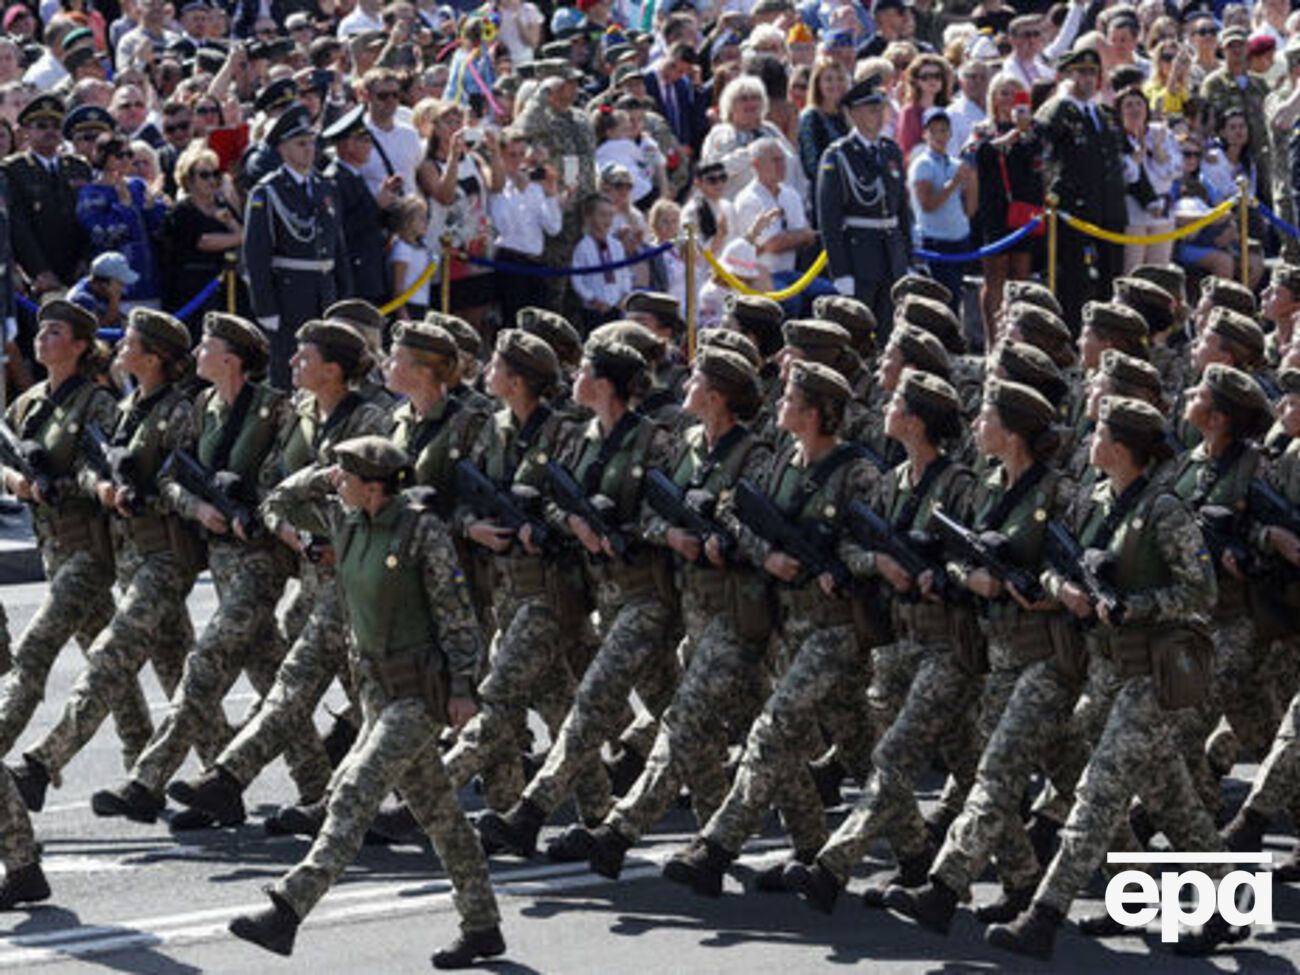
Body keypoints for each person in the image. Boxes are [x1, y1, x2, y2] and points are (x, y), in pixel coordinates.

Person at [224, 436, 505, 970]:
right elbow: (276, 505)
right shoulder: (344, 519)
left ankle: (288, 908)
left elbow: (458, 616)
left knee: (353, 790)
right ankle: (483, 926)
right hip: (376, 689)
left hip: (422, 693)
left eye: (344, 473)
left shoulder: (423, 531)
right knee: (440, 813)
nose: (337, 480)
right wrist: (319, 477)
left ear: (374, 486)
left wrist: (464, 688)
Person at [986, 396, 1246, 960]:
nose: (1087, 439)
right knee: (1171, 798)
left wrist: (1136, 605)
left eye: (1099, 431)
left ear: (1123, 446)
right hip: (1107, 672)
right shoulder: (1096, 500)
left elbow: (1201, 594)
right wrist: (1065, 592)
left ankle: (1044, 916)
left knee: (1098, 790)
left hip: (1152, 675)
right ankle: (1228, 901)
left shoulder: (1165, 511)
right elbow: (1056, 564)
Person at [84, 313, 330, 826]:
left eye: (208, 345)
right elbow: (175, 477)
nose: (197, 352)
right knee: (271, 675)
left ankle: (147, 782)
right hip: (220, 559)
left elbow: (283, 478)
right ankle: (316, 787)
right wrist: (200, 510)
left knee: (206, 661)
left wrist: (252, 509)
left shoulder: (274, 409)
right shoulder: (203, 405)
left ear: (232, 358)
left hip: (260, 558)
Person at [660, 359, 880, 898]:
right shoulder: (783, 463)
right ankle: (905, 852)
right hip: (788, 624)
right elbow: (738, 519)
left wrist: (843, 565)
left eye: (790, 399)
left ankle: (716, 847)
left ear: (812, 413)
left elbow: (876, 549)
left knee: (774, 731)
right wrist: (770, 556)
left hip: (837, 629)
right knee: (856, 748)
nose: (778, 404)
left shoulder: (859, 474)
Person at [476, 338, 678, 860]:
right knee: (679, 718)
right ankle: (730, 824)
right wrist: (572, 522)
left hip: (648, 595)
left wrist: (625, 531)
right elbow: (544, 498)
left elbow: (671, 518)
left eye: (586, 371)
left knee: (590, 705)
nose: (575, 378)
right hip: (604, 598)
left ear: (605, 385)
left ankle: (530, 812)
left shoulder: (655, 443)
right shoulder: (580, 438)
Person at [12, 310, 215, 822]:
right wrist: (96, 484)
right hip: (128, 558)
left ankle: (41, 764)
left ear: (154, 358)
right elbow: (88, 465)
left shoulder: (178, 411)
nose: (119, 347)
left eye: (129, 342)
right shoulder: (126, 408)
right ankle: (223, 778)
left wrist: (148, 494)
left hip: (165, 557)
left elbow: (187, 482)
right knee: (181, 674)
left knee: (109, 655)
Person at [243, 104, 351, 389]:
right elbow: (256, 257)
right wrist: (267, 310)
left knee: (327, 372)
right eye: (300, 144)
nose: (309, 150)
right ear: (282, 149)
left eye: (311, 143)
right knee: (289, 376)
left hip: (324, 292)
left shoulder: (325, 187)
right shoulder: (268, 192)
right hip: (289, 296)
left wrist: (344, 295)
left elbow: (337, 246)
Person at [1034, 46, 1126, 329]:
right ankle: (1071, 336)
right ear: (1067, 75)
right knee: (1073, 279)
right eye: (1081, 72)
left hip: (1108, 207)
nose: (1087, 79)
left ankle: (1107, 333)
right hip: (1075, 209)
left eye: (1092, 73)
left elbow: (1117, 158)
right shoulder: (1061, 110)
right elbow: (1042, 138)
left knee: (1111, 279)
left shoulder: (1105, 114)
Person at [817, 76, 913, 334]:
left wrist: (909, 257)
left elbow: (902, 208)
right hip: (859, 256)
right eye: (871, 110)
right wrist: (840, 271)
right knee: (857, 334)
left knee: (891, 331)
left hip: (891, 254)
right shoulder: (838, 155)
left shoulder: (890, 150)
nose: (879, 115)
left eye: (880, 108)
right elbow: (829, 219)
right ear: (853, 114)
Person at [971, 75, 1044, 345]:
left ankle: (1017, 337)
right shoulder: (983, 129)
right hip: (994, 209)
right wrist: (1009, 136)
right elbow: (980, 155)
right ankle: (994, 339)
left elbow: (1038, 161)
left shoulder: (1032, 130)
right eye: (1003, 93)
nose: (1008, 99)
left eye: (1014, 93)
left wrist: (1025, 131)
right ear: (992, 98)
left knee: (1020, 274)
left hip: (1023, 210)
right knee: (995, 276)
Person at [4, 95, 92, 295]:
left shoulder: (79, 167)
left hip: (78, 271)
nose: (50, 131)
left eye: (56, 125)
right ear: (26, 132)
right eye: (42, 125)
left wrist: (85, 260)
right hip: (39, 276)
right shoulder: (13, 170)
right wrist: (38, 270)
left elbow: (89, 219)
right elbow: (18, 226)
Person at [158, 143, 241, 326]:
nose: (211, 180)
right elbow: (203, 241)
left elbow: (241, 231)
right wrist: (239, 237)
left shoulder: (222, 206)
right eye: (204, 175)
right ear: (189, 179)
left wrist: (230, 222)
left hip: (224, 286)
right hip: (191, 289)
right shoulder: (181, 211)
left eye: (215, 174)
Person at [322, 104, 393, 309]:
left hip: (368, 268)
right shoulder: (334, 178)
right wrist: (375, 204)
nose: (370, 145)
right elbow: (341, 227)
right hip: (354, 272)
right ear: (346, 145)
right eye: (364, 140)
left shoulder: (353, 175)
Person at [908, 106, 976, 313]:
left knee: (956, 299)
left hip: (958, 239)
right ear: (925, 134)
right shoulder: (922, 165)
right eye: (934, 130)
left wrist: (972, 182)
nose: (939, 135)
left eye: (944, 130)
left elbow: (970, 207)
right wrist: (954, 183)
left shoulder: (956, 164)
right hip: (935, 241)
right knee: (944, 301)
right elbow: (927, 205)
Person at [1116, 86, 1180, 272]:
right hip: (1132, 208)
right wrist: (1134, 160)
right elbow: (1120, 177)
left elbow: (1175, 170)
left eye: (1139, 104)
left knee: (1158, 270)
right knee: (1132, 268)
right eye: (1128, 105)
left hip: (1163, 207)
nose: (1135, 109)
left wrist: (1159, 152)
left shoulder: (1161, 133)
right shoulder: (1116, 138)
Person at [797, 58, 849, 182]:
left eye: (840, 79)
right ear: (818, 84)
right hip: (825, 187)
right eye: (829, 79)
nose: (835, 84)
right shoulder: (810, 117)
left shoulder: (848, 114)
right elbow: (812, 164)